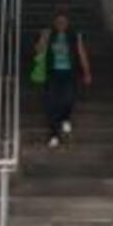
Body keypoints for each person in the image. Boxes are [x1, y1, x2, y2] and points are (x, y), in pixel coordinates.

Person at [34, 9, 93, 148]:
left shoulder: (74, 36)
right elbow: (38, 51)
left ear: (68, 23)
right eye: (58, 21)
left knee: (69, 99)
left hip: (70, 73)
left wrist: (87, 72)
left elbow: (81, 53)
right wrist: (43, 37)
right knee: (51, 104)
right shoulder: (49, 35)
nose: (61, 24)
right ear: (54, 23)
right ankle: (54, 135)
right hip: (52, 73)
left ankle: (66, 118)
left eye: (64, 21)